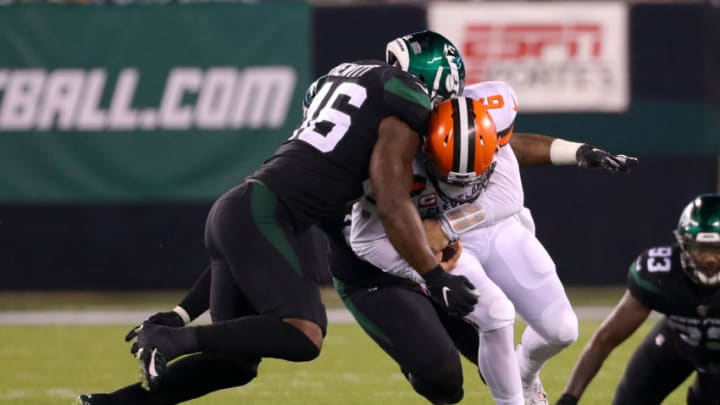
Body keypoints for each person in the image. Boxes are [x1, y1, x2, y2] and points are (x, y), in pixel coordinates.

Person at [77, 30, 477, 404]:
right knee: (304, 334)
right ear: (435, 80)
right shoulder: (405, 97)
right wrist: (434, 276)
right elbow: (390, 199)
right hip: (266, 215)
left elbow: (243, 252)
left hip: (241, 210)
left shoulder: (343, 82)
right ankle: (168, 340)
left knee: (234, 364)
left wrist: (183, 313)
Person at [348, 78, 639, 405]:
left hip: (488, 227)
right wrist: (423, 259)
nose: (459, 186)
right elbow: (364, 238)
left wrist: (444, 225)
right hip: (441, 243)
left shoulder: (495, 135)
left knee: (562, 330)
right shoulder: (398, 155)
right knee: (497, 314)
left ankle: (525, 375)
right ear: (425, 149)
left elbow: (506, 199)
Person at [556, 193, 720, 405]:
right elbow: (605, 339)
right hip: (676, 344)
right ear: (682, 245)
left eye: (717, 250)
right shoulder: (661, 273)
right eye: (700, 250)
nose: (708, 259)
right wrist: (569, 397)